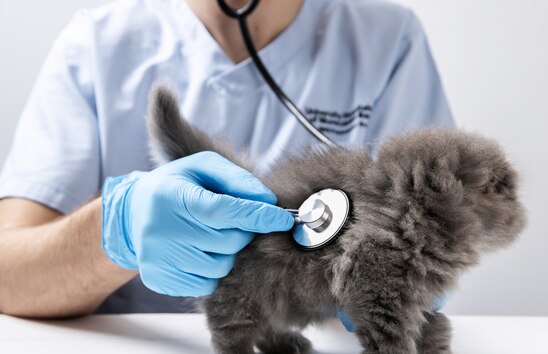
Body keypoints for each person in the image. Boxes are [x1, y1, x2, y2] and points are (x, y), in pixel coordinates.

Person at [0, 0, 453, 318]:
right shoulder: (98, 43)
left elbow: (432, 225)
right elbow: (10, 274)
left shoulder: (388, 40)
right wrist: (118, 228)